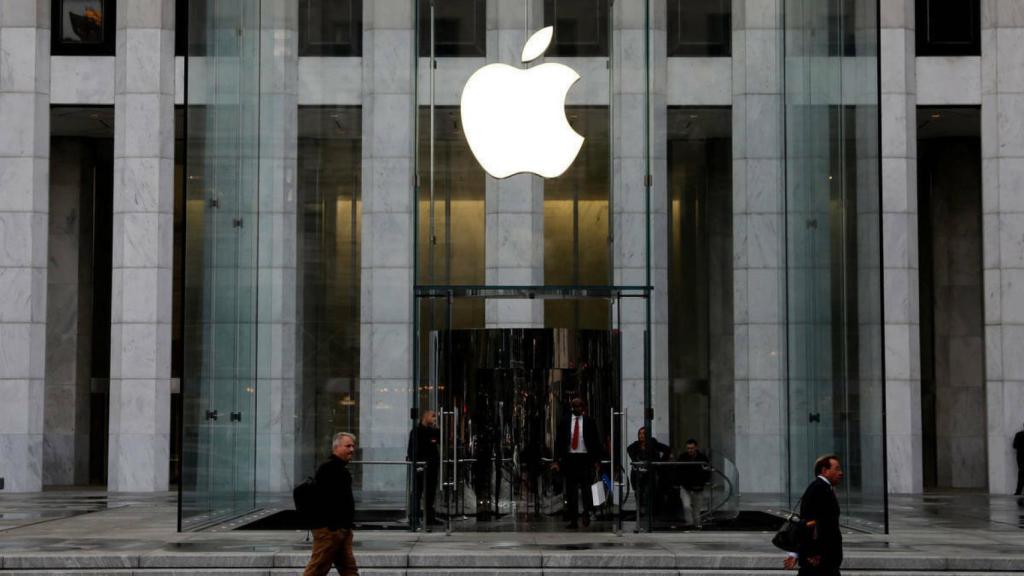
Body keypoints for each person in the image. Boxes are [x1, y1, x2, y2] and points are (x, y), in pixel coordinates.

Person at [304, 432, 359, 576]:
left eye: (353, 446)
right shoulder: (328, 469)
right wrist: (333, 528)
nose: (352, 449)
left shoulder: (340, 469)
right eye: (348, 446)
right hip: (330, 530)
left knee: (349, 569)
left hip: (341, 529)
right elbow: (324, 501)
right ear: (336, 448)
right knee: (317, 569)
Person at [784, 454, 844, 575]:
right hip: (819, 561)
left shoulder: (821, 488)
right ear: (825, 471)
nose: (841, 473)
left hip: (822, 559)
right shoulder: (820, 489)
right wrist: (813, 551)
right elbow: (812, 523)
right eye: (837, 469)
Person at [553, 397, 602, 529]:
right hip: (570, 459)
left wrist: (597, 460)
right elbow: (559, 442)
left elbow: (595, 441)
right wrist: (556, 460)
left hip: (585, 458)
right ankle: (573, 519)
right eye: (577, 407)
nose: (579, 409)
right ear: (572, 408)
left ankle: (586, 512)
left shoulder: (589, 422)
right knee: (571, 491)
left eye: (581, 407)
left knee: (586, 488)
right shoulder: (565, 422)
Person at [407, 409, 442, 527]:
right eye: (433, 416)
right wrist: (415, 463)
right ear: (425, 416)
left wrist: (438, 429)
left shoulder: (434, 432)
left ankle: (429, 517)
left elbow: (444, 439)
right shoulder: (416, 432)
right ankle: (415, 517)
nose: (434, 419)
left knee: (430, 493)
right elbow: (411, 450)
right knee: (417, 491)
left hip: (432, 467)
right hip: (421, 466)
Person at [626, 427, 671, 519]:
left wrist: (660, 462)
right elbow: (629, 449)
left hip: (650, 474)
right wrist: (635, 460)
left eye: (644, 433)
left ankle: (650, 513)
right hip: (637, 474)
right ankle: (640, 513)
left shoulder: (652, 443)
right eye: (640, 433)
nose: (641, 435)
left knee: (649, 492)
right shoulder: (635, 445)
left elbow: (667, 449)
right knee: (638, 492)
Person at [676, 439, 711, 527]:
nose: (690, 450)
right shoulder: (683, 457)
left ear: (696, 448)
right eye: (688, 448)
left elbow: (707, 472)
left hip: (697, 487)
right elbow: (678, 471)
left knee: (697, 509)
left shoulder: (702, 458)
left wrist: (702, 483)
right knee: (686, 506)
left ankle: (697, 525)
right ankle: (690, 523)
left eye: (692, 448)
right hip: (685, 487)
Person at [1014, 425, 1024, 495]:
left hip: (1021, 457)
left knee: (1021, 474)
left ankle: (1018, 492)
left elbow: (1014, 446)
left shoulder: (1018, 434)